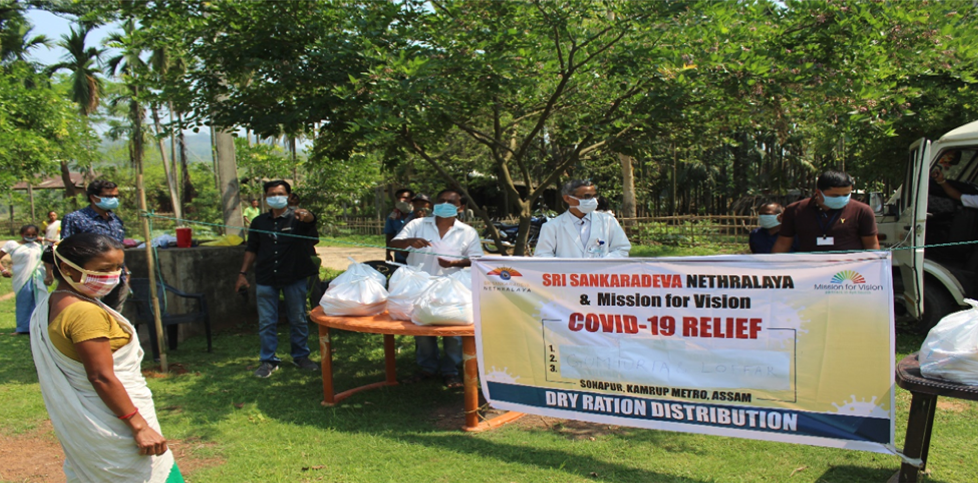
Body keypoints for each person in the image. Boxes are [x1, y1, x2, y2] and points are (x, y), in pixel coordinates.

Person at [31, 233, 182, 482]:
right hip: (117, 425)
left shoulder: (52, 304)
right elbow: (101, 376)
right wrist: (139, 426)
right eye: (103, 269)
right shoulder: (84, 313)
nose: (113, 276)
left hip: (90, 426)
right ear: (68, 268)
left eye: (117, 267)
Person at [390, 188, 483, 388]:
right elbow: (394, 243)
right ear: (434, 204)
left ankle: (451, 371)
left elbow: (476, 260)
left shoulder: (467, 232)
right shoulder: (417, 224)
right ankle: (427, 368)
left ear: (460, 208)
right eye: (441, 201)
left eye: (451, 202)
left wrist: (454, 263)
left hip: (452, 289)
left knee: (454, 334)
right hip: (419, 286)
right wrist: (408, 242)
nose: (445, 205)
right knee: (422, 331)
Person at [235, 180, 320, 378]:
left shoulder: (297, 219)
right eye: (271, 194)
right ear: (266, 198)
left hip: (294, 276)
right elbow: (251, 250)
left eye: (280, 193)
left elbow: (311, 224)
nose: (275, 197)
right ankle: (268, 361)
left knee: (298, 318)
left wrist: (308, 216)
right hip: (266, 277)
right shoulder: (259, 222)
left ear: (288, 196)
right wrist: (242, 274)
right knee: (266, 321)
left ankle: (301, 356)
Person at [57, 180, 129, 310]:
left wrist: (125, 271)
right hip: (91, 279)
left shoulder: (116, 220)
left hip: (117, 278)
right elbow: (66, 250)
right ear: (93, 197)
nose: (113, 199)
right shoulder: (75, 219)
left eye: (115, 196)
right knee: (90, 313)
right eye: (108, 196)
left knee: (114, 315)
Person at [773, 171, 879, 253]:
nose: (841, 198)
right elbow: (783, 243)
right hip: (810, 272)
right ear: (818, 192)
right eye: (835, 195)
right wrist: (771, 268)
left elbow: (871, 244)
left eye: (846, 195)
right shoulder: (795, 210)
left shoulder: (862, 211)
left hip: (849, 274)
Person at [535, 180, 631, 258]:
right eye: (587, 196)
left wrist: (601, 264)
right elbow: (543, 256)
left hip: (600, 278)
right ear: (567, 198)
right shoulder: (552, 227)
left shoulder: (608, 222)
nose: (593, 200)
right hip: (568, 279)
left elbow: (621, 249)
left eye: (594, 196)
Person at [1, 225, 46, 335]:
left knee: (38, 300)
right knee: (23, 301)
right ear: (22, 234)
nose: (30, 236)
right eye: (28, 234)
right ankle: (22, 328)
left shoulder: (38, 246)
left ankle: (38, 327)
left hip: (37, 276)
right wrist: (3, 270)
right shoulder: (13, 245)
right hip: (21, 277)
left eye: (33, 235)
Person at [384, 188, 415, 263]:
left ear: (411, 199)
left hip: (415, 256)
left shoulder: (417, 215)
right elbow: (389, 235)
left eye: (405, 198)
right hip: (399, 256)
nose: (401, 200)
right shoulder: (393, 216)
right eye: (399, 198)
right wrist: (388, 253)